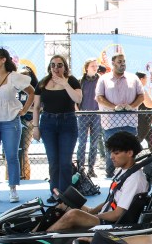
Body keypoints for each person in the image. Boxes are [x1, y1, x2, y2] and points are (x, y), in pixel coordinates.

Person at [46, 132, 148, 231]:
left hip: (112, 223)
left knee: (73, 214)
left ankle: (40, 240)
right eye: (111, 152)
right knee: (63, 205)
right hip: (105, 213)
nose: (111, 156)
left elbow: (118, 214)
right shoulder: (125, 171)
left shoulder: (135, 179)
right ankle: (34, 233)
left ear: (130, 153)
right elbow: (110, 201)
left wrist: (92, 216)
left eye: (116, 153)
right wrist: (91, 213)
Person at [0, 48, 35, 203]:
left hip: (11, 120)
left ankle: (13, 188)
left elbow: (32, 91)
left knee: (11, 155)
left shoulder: (14, 77)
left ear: (3, 60)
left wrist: (23, 110)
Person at [32, 55, 82, 202]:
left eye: (60, 65)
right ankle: (54, 192)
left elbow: (78, 99)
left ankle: (65, 194)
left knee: (65, 161)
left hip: (68, 122)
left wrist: (65, 84)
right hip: (48, 123)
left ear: (65, 67)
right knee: (53, 161)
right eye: (53, 65)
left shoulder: (72, 81)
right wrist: (35, 127)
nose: (56, 68)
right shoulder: (42, 83)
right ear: (49, 67)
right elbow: (36, 107)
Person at [96, 53, 144, 178]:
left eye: (123, 61)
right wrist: (114, 107)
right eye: (119, 61)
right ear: (113, 63)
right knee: (112, 152)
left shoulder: (134, 78)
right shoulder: (103, 79)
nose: (122, 64)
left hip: (130, 123)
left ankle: (130, 175)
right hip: (111, 123)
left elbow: (141, 96)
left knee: (130, 151)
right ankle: (110, 175)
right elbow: (99, 97)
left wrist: (132, 106)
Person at [76, 59, 102, 177]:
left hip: (96, 114)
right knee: (82, 142)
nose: (95, 67)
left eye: (96, 66)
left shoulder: (101, 80)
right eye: (92, 66)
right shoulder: (81, 81)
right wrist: (78, 111)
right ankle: (80, 168)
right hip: (83, 115)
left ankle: (91, 168)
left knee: (94, 143)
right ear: (86, 67)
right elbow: (75, 98)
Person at [17, 66, 39, 181]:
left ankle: (25, 177)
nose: (24, 78)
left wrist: (24, 110)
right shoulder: (15, 88)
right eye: (22, 75)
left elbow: (37, 108)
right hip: (15, 121)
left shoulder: (34, 90)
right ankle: (11, 176)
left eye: (27, 75)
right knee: (11, 152)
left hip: (28, 121)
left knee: (24, 151)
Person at [136, 70, 152, 148]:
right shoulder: (140, 89)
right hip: (143, 120)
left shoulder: (135, 89)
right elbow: (150, 104)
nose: (147, 80)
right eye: (146, 78)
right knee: (137, 141)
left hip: (144, 119)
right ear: (141, 79)